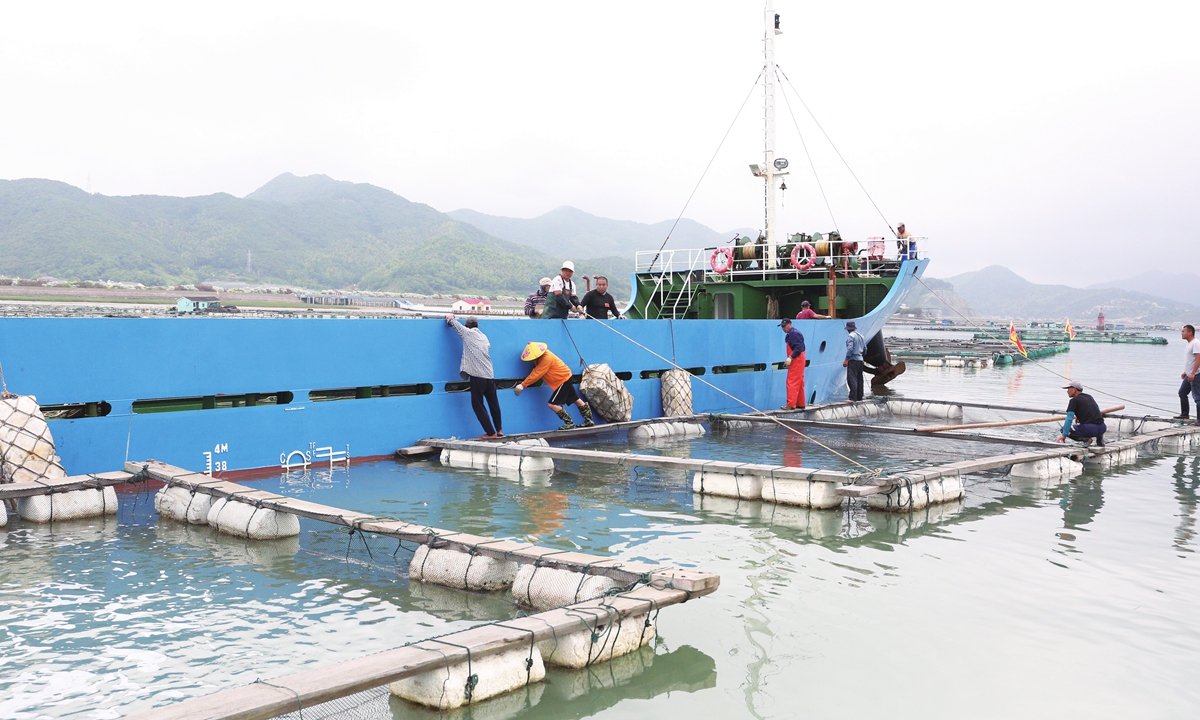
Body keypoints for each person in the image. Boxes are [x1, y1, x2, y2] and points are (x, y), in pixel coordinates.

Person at [445, 314, 503, 438]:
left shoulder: (467, 333)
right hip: (489, 374)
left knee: (477, 404)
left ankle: (491, 433)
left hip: (478, 375)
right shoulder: (484, 336)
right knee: (493, 403)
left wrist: (450, 316)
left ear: (468, 326)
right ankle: (499, 430)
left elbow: (452, 322)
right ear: (477, 325)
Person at [514, 342, 595, 430]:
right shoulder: (540, 357)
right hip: (566, 377)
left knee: (552, 404)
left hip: (562, 380)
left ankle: (569, 422)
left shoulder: (546, 358)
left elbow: (537, 373)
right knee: (575, 399)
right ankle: (589, 420)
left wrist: (523, 385)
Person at [1054, 381, 1106, 446]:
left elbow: (1069, 418)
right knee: (1097, 421)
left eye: (1068, 389)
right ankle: (1100, 442)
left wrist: (1064, 435)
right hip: (1102, 428)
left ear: (1074, 389)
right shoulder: (1089, 397)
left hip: (1089, 429)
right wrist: (1079, 416)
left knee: (1063, 429)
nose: (1067, 391)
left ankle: (1086, 439)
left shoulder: (1074, 400)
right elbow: (1097, 410)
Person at [779, 319, 806, 409]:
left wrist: (791, 357)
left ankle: (791, 404)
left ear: (790, 324)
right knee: (799, 380)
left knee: (792, 381)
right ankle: (800, 403)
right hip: (799, 358)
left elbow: (798, 347)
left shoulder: (794, 333)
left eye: (784, 326)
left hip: (797, 359)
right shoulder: (792, 333)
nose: (783, 328)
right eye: (782, 326)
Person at [1176, 324, 1200, 422]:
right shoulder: (1189, 344)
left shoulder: (1195, 343)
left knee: (1197, 397)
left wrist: (1193, 373)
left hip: (1196, 374)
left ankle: (1199, 420)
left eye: (1183, 331)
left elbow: (1199, 358)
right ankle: (1185, 414)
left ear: (1190, 332)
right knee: (1182, 393)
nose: (1182, 333)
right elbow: (1191, 360)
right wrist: (1186, 372)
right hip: (1189, 374)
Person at [843, 320, 867, 401]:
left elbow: (850, 349)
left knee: (851, 378)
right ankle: (859, 397)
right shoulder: (861, 336)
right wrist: (861, 357)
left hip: (853, 360)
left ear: (848, 329)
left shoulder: (851, 336)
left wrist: (846, 359)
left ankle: (852, 398)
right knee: (859, 379)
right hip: (860, 360)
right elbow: (865, 349)